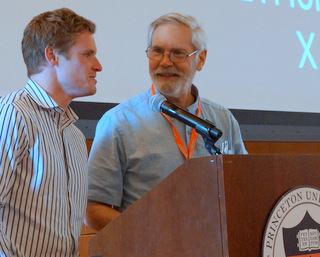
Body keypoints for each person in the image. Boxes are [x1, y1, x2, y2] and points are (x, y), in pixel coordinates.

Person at [85, 12, 247, 231]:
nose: (164, 62)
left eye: (178, 53)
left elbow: (244, 189)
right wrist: (153, 236)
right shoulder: (119, 122)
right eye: (157, 51)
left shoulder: (222, 119)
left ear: (200, 59)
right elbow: (93, 210)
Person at [0, 8, 102, 257]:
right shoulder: (14, 114)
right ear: (52, 55)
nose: (98, 66)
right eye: (87, 55)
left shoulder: (75, 136)